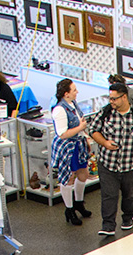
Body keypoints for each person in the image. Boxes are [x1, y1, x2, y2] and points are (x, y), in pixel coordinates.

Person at [87, 83, 133, 238]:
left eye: (114, 99)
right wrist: (104, 142)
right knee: (108, 195)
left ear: (124, 97)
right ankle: (108, 224)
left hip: (130, 165)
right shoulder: (106, 113)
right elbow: (93, 130)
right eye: (110, 98)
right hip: (108, 164)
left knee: (129, 195)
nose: (112, 102)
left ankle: (128, 216)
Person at [50, 79, 92, 227]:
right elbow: (62, 134)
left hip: (78, 143)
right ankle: (69, 209)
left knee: (83, 174)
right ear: (66, 94)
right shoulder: (59, 110)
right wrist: (81, 127)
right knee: (68, 178)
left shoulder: (73, 104)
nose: (77, 92)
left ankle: (79, 203)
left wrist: (85, 137)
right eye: (74, 90)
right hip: (67, 146)